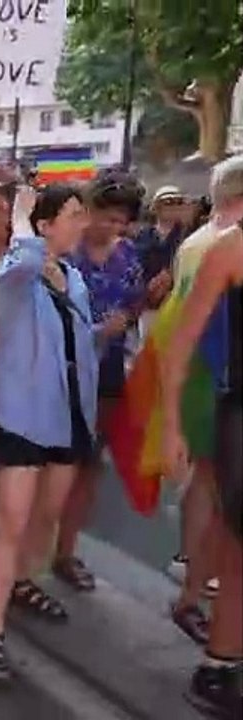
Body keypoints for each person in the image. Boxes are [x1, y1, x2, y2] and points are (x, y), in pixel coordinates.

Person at [0, 183, 97, 681]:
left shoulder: (73, 276)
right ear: (44, 225)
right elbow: (23, 263)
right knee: (12, 521)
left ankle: (25, 581)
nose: (82, 224)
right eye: (72, 215)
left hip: (68, 415)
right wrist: (21, 224)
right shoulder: (13, 274)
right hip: (21, 415)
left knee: (46, 517)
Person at [162, 156, 243, 719]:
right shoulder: (229, 249)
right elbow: (179, 343)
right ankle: (217, 666)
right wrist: (169, 424)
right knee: (239, 551)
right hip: (239, 412)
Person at [52, 176, 145, 592]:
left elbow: (134, 301)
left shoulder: (129, 256)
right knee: (48, 463)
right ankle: (26, 546)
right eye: (108, 218)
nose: (114, 228)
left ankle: (65, 551)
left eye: (122, 222)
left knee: (88, 466)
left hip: (107, 372)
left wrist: (136, 309)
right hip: (59, 370)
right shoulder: (64, 255)